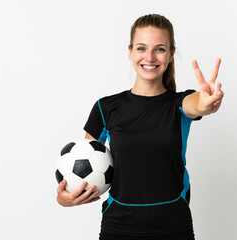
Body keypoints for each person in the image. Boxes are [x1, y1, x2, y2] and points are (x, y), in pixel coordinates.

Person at [56, 14, 224, 240]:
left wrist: (205, 103)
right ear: (131, 51)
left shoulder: (179, 104)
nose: (150, 57)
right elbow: (85, 172)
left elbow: (196, 104)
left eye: (160, 49)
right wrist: (63, 199)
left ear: (171, 54)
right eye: (142, 48)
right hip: (119, 228)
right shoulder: (106, 108)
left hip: (174, 227)